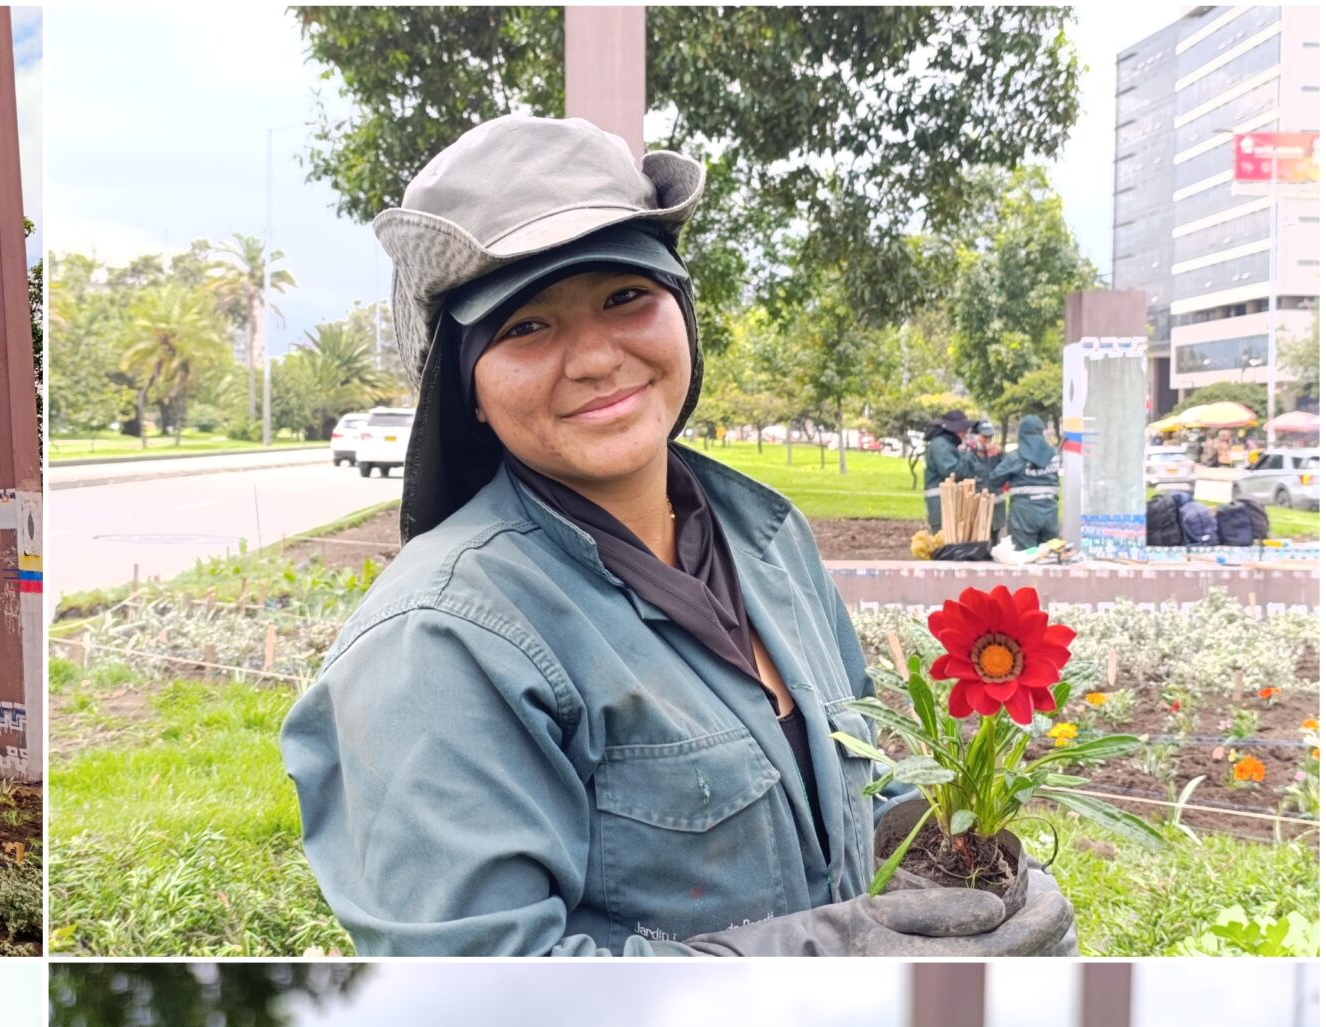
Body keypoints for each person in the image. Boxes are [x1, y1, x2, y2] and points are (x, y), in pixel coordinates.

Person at [279, 116, 1071, 956]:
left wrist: (944, 847)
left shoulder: (768, 538)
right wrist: (836, 957)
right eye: (525, 326)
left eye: (626, 297)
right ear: (465, 387)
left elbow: (842, 788)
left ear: (682, 311)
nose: (593, 358)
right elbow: (485, 997)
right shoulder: (436, 644)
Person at [985, 414, 1062, 549]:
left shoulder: (1016, 457)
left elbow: (994, 479)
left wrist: (997, 457)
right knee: (1048, 557)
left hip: (1024, 516)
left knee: (1024, 560)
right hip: (1050, 514)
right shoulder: (1054, 455)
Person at [920, 409, 976, 532]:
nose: (966, 432)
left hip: (945, 504)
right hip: (942, 506)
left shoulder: (944, 444)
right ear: (955, 429)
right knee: (945, 546)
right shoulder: (941, 445)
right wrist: (969, 456)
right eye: (964, 429)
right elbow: (953, 472)